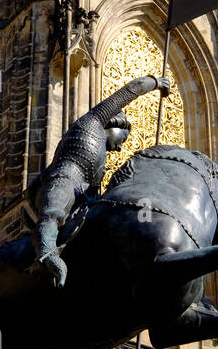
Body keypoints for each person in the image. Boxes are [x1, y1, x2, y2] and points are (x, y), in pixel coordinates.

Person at [25, 74, 171, 288]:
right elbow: (131, 89)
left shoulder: (99, 168)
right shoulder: (93, 121)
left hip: (81, 196)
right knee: (53, 212)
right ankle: (46, 255)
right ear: (115, 125)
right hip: (64, 178)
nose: (121, 147)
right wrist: (156, 83)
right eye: (123, 138)